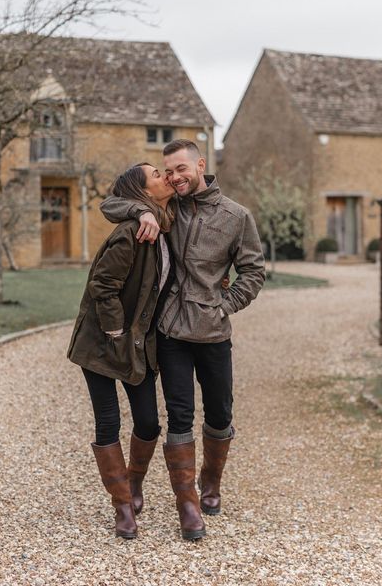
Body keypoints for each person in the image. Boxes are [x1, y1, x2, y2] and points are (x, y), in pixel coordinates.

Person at [100, 139, 265, 541]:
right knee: (179, 414)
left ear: (200, 166)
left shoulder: (236, 216)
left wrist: (224, 305)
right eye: (167, 171)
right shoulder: (167, 208)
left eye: (180, 169)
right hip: (171, 331)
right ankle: (187, 504)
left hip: (212, 332)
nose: (173, 177)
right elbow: (111, 203)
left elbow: (254, 271)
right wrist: (141, 209)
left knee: (221, 414)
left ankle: (210, 484)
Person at [67, 163, 175, 539]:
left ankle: (134, 484)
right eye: (158, 174)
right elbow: (103, 284)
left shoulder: (163, 226)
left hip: (137, 343)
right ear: (142, 192)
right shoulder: (132, 233)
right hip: (101, 342)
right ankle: (122, 507)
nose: (166, 176)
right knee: (108, 420)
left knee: (148, 421)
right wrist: (114, 329)